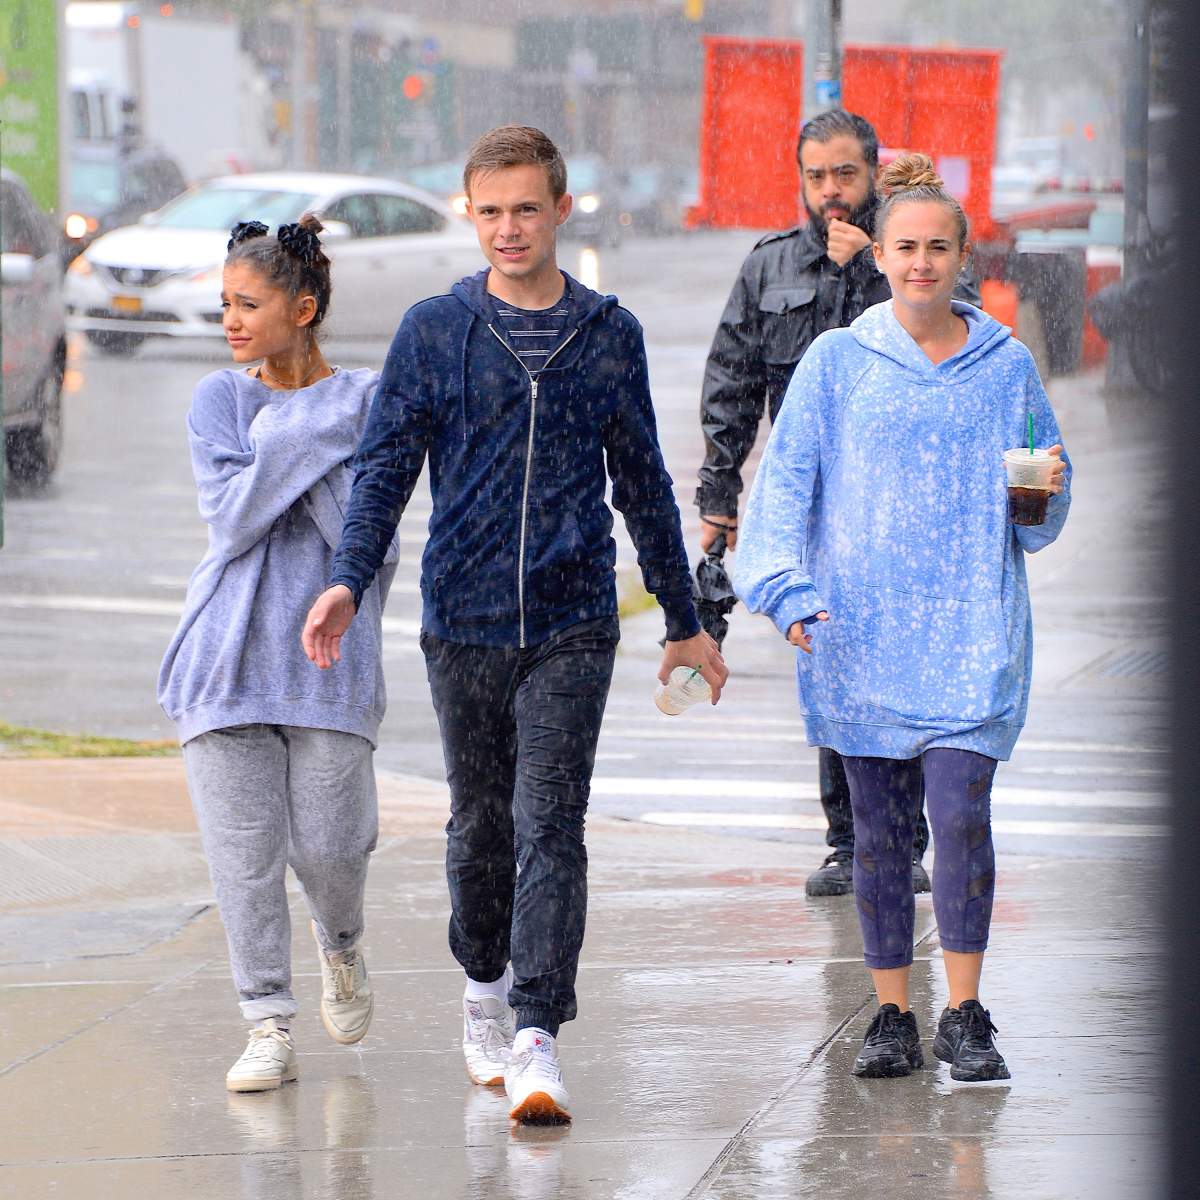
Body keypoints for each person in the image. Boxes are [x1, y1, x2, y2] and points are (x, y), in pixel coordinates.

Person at [301, 125, 727, 1124]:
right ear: (469, 213)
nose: (508, 228)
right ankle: (484, 988)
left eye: (526, 208)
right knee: (480, 825)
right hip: (464, 619)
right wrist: (348, 579)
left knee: (552, 824)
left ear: (561, 209)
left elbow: (644, 485)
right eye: (490, 211)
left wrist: (684, 617)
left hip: (574, 622)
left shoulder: (607, 334)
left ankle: (538, 1032)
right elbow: (384, 472)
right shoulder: (434, 331)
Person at [733, 154, 1070, 1083]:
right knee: (879, 838)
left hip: (972, 632)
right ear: (877, 256)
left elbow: (1041, 496)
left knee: (960, 819)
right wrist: (786, 592)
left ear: (962, 258)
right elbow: (783, 489)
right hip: (860, 636)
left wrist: (1039, 494)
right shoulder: (836, 364)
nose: (922, 263)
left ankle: (965, 1012)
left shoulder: (1007, 367)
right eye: (906, 247)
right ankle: (891, 1014)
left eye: (938, 248)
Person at [697, 110, 982, 899]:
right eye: (816, 174)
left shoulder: (908, 255)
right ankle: (849, 842)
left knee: (912, 668)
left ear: (872, 173)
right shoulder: (769, 266)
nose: (830, 190)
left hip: (907, 505)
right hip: (815, 511)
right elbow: (731, 384)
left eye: (846, 174)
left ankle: (907, 841)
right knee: (832, 659)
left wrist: (868, 267)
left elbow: (960, 334)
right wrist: (720, 497)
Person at [158, 215, 395, 1092]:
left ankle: (342, 944)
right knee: (243, 861)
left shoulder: (371, 397)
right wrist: (316, 437)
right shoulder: (219, 400)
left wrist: (278, 448)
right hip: (222, 660)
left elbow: (363, 537)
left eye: (247, 304)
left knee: (333, 849)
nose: (229, 321)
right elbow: (232, 520)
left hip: (330, 663)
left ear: (302, 308)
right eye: (225, 302)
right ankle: (266, 1020)